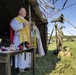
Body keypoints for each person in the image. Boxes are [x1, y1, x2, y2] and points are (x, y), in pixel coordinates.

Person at [10, 7, 31, 72]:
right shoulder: (15, 19)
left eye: (25, 11)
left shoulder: (26, 20)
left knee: (25, 54)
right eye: (24, 11)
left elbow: (28, 31)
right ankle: (17, 67)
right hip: (18, 39)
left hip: (26, 40)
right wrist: (23, 24)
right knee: (19, 54)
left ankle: (24, 67)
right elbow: (14, 27)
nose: (26, 12)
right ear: (20, 12)